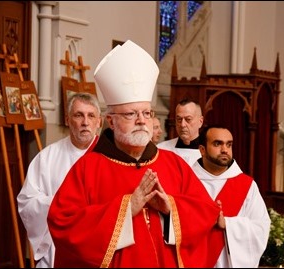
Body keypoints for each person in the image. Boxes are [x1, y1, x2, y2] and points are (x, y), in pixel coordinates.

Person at [47, 40, 221, 268]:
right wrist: (126, 208)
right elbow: (63, 224)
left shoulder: (173, 164)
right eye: (131, 114)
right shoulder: (88, 168)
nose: (141, 120)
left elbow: (206, 214)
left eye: (147, 113)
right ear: (110, 120)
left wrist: (170, 208)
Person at [17, 92, 102, 268]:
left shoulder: (109, 157)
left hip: (98, 247)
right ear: (67, 120)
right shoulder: (48, 157)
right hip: (58, 247)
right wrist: (60, 206)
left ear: (99, 122)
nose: (85, 122)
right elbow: (27, 201)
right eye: (79, 115)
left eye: (91, 116)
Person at [192, 124, 271, 268]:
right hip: (194, 261)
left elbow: (261, 227)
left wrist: (228, 224)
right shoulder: (188, 182)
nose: (224, 150)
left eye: (229, 145)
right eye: (218, 144)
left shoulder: (246, 185)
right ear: (202, 150)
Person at [157, 98, 203, 166]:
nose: (182, 124)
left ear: (200, 122)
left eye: (188, 119)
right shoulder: (161, 149)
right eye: (179, 119)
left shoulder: (209, 153)